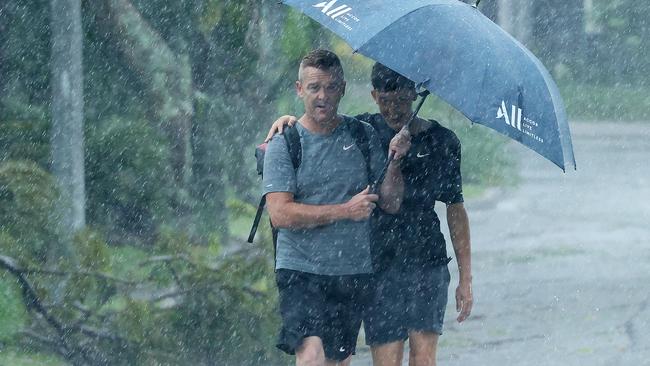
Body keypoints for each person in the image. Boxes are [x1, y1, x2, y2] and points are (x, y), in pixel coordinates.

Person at [266, 63, 473, 366]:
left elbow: (455, 209)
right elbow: (322, 125)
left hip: (426, 259)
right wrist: (287, 121)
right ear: (374, 96)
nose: (394, 110)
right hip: (377, 262)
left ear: (414, 95)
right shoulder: (364, 131)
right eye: (386, 101)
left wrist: (465, 278)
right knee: (386, 359)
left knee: (424, 357)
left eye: (402, 101)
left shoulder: (442, 141)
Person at [263, 50, 412, 366]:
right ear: (299, 89)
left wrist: (396, 161)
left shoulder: (362, 135)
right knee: (311, 357)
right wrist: (344, 210)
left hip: (351, 270)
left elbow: (391, 202)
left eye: (331, 87)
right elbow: (280, 214)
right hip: (300, 270)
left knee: (336, 360)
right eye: (314, 87)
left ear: (343, 89)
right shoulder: (284, 143)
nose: (323, 96)